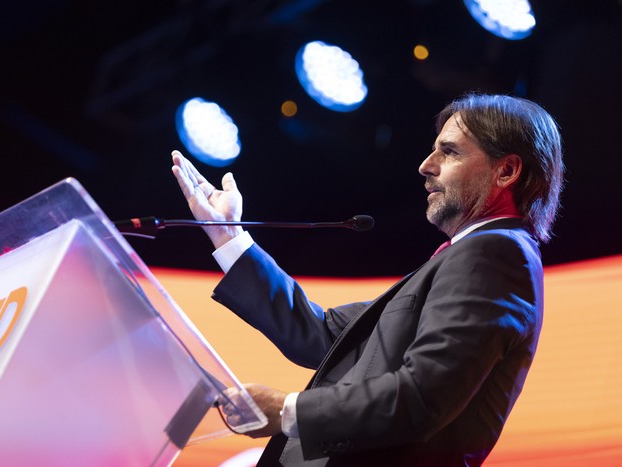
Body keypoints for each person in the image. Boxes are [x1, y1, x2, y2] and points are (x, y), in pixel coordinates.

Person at [170, 93, 564, 466]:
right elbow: (325, 334)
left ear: (507, 170)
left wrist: (286, 410)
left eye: (450, 151)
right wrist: (228, 235)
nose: (426, 165)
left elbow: (422, 396)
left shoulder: (495, 254)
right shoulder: (473, 257)